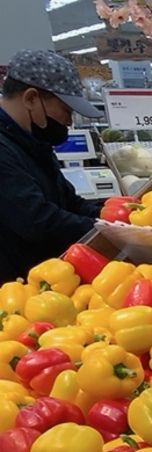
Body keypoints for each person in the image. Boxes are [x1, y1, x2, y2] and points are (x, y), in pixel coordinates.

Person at [0, 50, 105, 282]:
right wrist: (107, 230)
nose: (68, 122)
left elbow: (70, 202)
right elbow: (37, 220)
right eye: (66, 111)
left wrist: (112, 215)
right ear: (31, 99)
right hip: (13, 288)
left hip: (46, 282)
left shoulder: (33, 143)